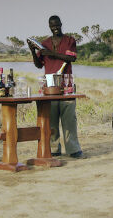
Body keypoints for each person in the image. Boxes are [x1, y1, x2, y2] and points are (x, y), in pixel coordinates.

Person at [29, 15, 84, 159]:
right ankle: (54, 148)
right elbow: (39, 64)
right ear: (49, 26)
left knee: (69, 118)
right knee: (51, 118)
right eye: (52, 26)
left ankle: (73, 149)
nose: (55, 28)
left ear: (61, 24)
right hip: (49, 84)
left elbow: (72, 58)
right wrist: (33, 51)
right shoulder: (44, 43)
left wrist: (52, 54)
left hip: (66, 83)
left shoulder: (69, 40)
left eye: (57, 25)